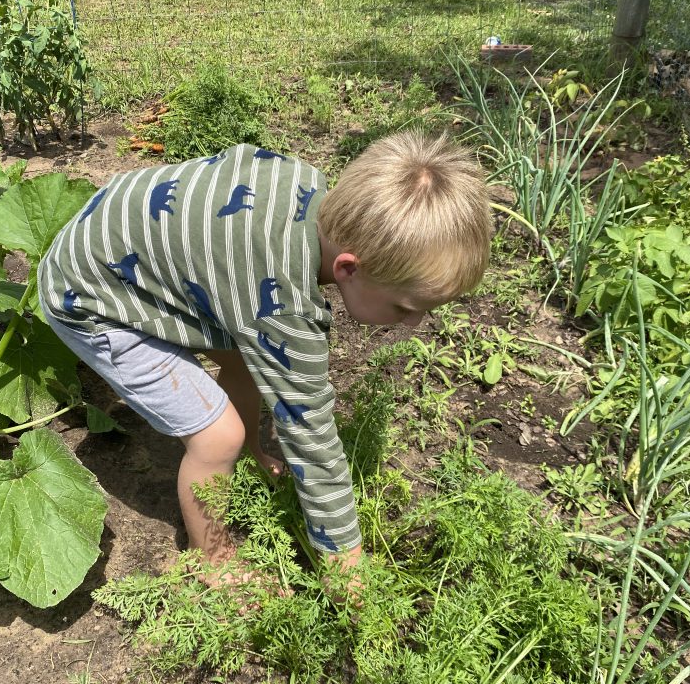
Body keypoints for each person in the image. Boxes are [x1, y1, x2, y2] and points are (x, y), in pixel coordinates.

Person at [37, 130, 491, 592]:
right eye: (405, 308)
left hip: (120, 243)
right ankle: (212, 559)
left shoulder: (310, 189)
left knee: (252, 355)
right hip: (92, 299)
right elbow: (311, 437)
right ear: (348, 269)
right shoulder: (284, 304)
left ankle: (250, 454)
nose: (415, 324)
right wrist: (347, 561)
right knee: (218, 438)